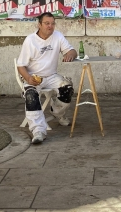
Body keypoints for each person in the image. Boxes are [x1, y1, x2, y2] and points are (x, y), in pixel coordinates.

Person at [17, 12, 77, 144]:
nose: (50, 26)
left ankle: (57, 113)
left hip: (51, 76)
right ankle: (38, 131)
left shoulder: (58, 36)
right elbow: (20, 66)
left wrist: (70, 55)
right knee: (31, 96)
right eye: (47, 23)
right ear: (39, 25)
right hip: (33, 76)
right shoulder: (30, 40)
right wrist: (28, 78)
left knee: (67, 88)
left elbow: (72, 51)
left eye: (52, 23)